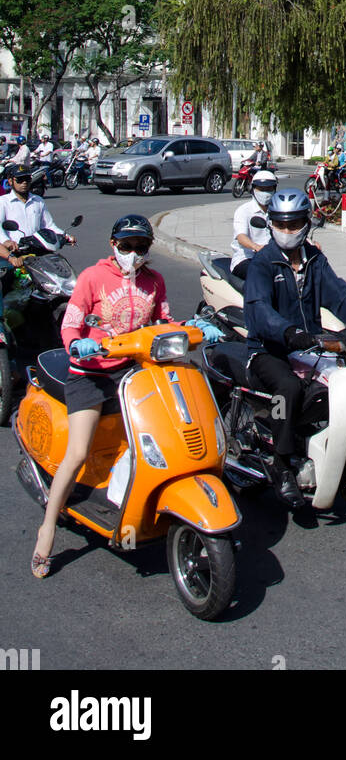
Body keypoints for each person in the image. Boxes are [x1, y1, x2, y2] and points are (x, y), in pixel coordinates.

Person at [29, 214, 220, 578]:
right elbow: (70, 322)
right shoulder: (92, 278)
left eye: (141, 247)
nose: (133, 253)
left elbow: (163, 323)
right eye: (127, 246)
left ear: (149, 250)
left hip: (135, 373)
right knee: (79, 451)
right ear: (113, 245)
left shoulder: (155, 282)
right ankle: (48, 527)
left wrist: (193, 327)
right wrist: (78, 344)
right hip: (92, 374)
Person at [243, 189, 346, 510]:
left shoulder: (315, 260)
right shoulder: (262, 263)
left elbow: (341, 297)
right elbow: (259, 310)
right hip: (268, 349)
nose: (287, 231)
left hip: (309, 345)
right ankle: (282, 463)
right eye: (281, 224)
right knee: (287, 388)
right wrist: (288, 332)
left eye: (294, 223)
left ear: (306, 223)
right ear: (271, 224)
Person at [0, 165, 77, 297]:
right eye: (19, 180)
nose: (24, 183)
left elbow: (49, 226)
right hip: (13, 257)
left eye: (27, 179)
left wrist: (65, 236)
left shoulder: (38, 201)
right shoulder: (3, 202)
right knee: (8, 290)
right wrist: (7, 241)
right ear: (10, 181)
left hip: (37, 255)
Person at [230, 168, 278, 279]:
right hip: (247, 258)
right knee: (261, 276)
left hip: (272, 258)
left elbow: (289, 230)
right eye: (261, 189)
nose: (265, 193)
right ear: (253, 189)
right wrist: (256, 247)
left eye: (269, 189)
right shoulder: (244, 210)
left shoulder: (276, 210)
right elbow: (241, 237)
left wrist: (309, 242)